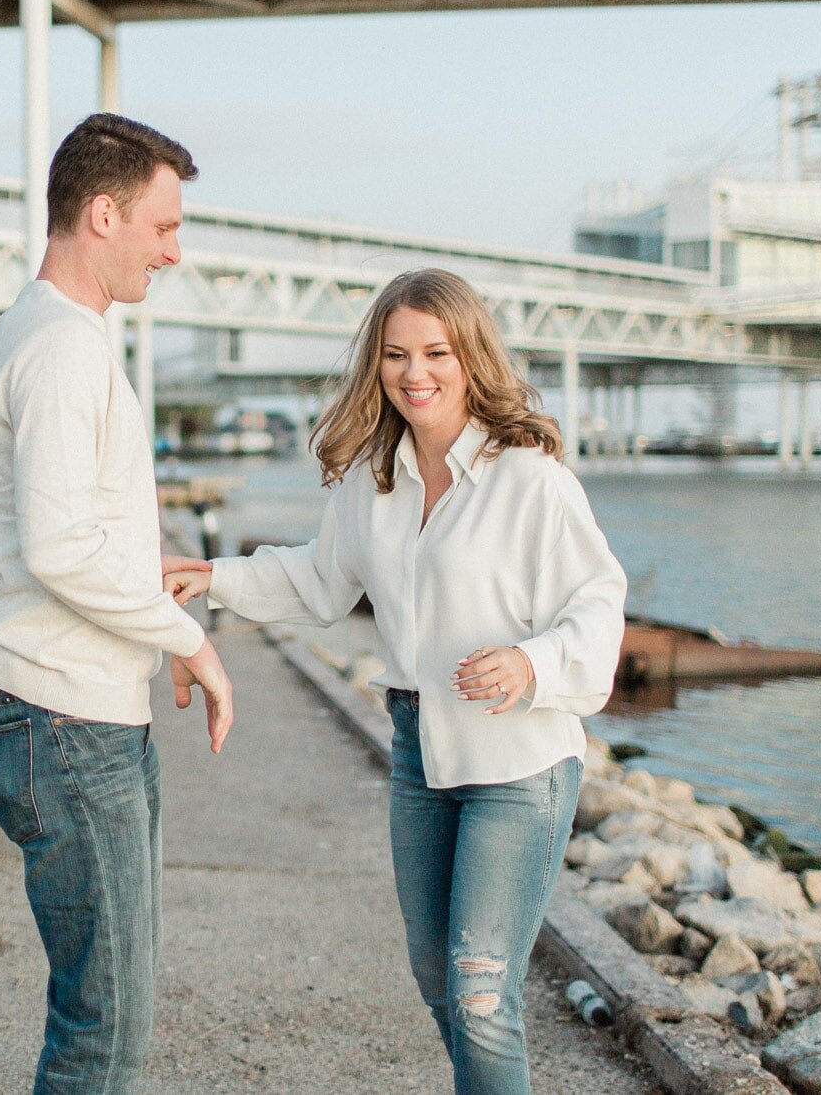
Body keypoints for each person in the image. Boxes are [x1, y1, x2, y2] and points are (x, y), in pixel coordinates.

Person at [166, 267, 624, 1095]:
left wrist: (532, 662)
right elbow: (318, 581)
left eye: (437, 352)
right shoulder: (372, 477)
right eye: (396, 354)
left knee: (482, 991)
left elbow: (598, 608)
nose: (417, 373)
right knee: (435, 976)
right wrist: (214, 576)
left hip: (518, 764)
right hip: (419, 752)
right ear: (376, 364)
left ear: (471, 356)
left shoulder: (532, 480)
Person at [0, 113, 234, 1094]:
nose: (173, 249)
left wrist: (142, 571)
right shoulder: (61, 351)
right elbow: (57, 546)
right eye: (162, 226)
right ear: (102, 212)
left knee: (107, 1003)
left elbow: (72, 531)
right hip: (63, 717)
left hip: (69, 711)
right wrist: (189, 644)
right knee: (105, 1023)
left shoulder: (41, 332)